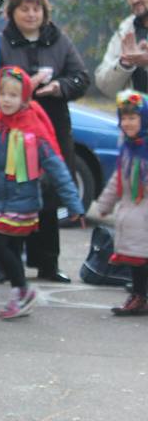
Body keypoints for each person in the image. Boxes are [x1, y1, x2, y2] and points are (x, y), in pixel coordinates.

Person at [0, 0, 90, 283]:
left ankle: (48, 264)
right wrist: (25, 86)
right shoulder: (2, 42)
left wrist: (59, 87)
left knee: (49, 196)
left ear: (44, 12)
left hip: (50, 125)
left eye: (36, 8)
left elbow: (81, 77)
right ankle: (3, 263)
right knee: (10, 191)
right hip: (12, 126)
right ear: (12, 12)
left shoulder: (58, 39)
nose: (31, 14)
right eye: (24, 8)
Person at [0, 66, 84, 320]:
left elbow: (57, 168)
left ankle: (23, 291)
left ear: (25, 98)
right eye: (3, 94)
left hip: (22, 202)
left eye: (14, 95)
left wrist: (74, 203)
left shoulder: (32, 131)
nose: (7, 100)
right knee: (11, 248)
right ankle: (19, 294)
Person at [93, 89, 148, 316]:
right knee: (137, 261)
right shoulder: (128, 148)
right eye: (123, 118)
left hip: (143, 214)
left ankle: (140, 296)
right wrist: (104, 205)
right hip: (131, 213)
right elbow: (118, 180)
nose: (127, 123)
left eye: (132, 117)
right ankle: (139, 296)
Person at [96, 0, 148, 96]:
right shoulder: (125, 29)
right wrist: (124, 64)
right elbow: (103, 84)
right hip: (133, 114)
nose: (134, 0)